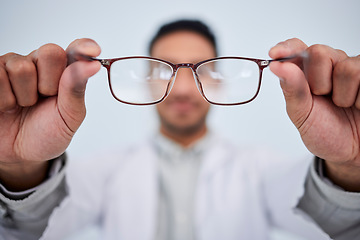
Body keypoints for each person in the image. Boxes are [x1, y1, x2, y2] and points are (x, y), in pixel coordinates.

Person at [0, 19, 359, 240]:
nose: (184, 89)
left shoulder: (260, 169)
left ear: (217, 81)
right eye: (163, 70)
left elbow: (332, 226)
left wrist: (349, 169)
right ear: (144, 81)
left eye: (201, 70)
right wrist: (19, 170)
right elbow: (29, 231)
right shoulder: (105, 172)